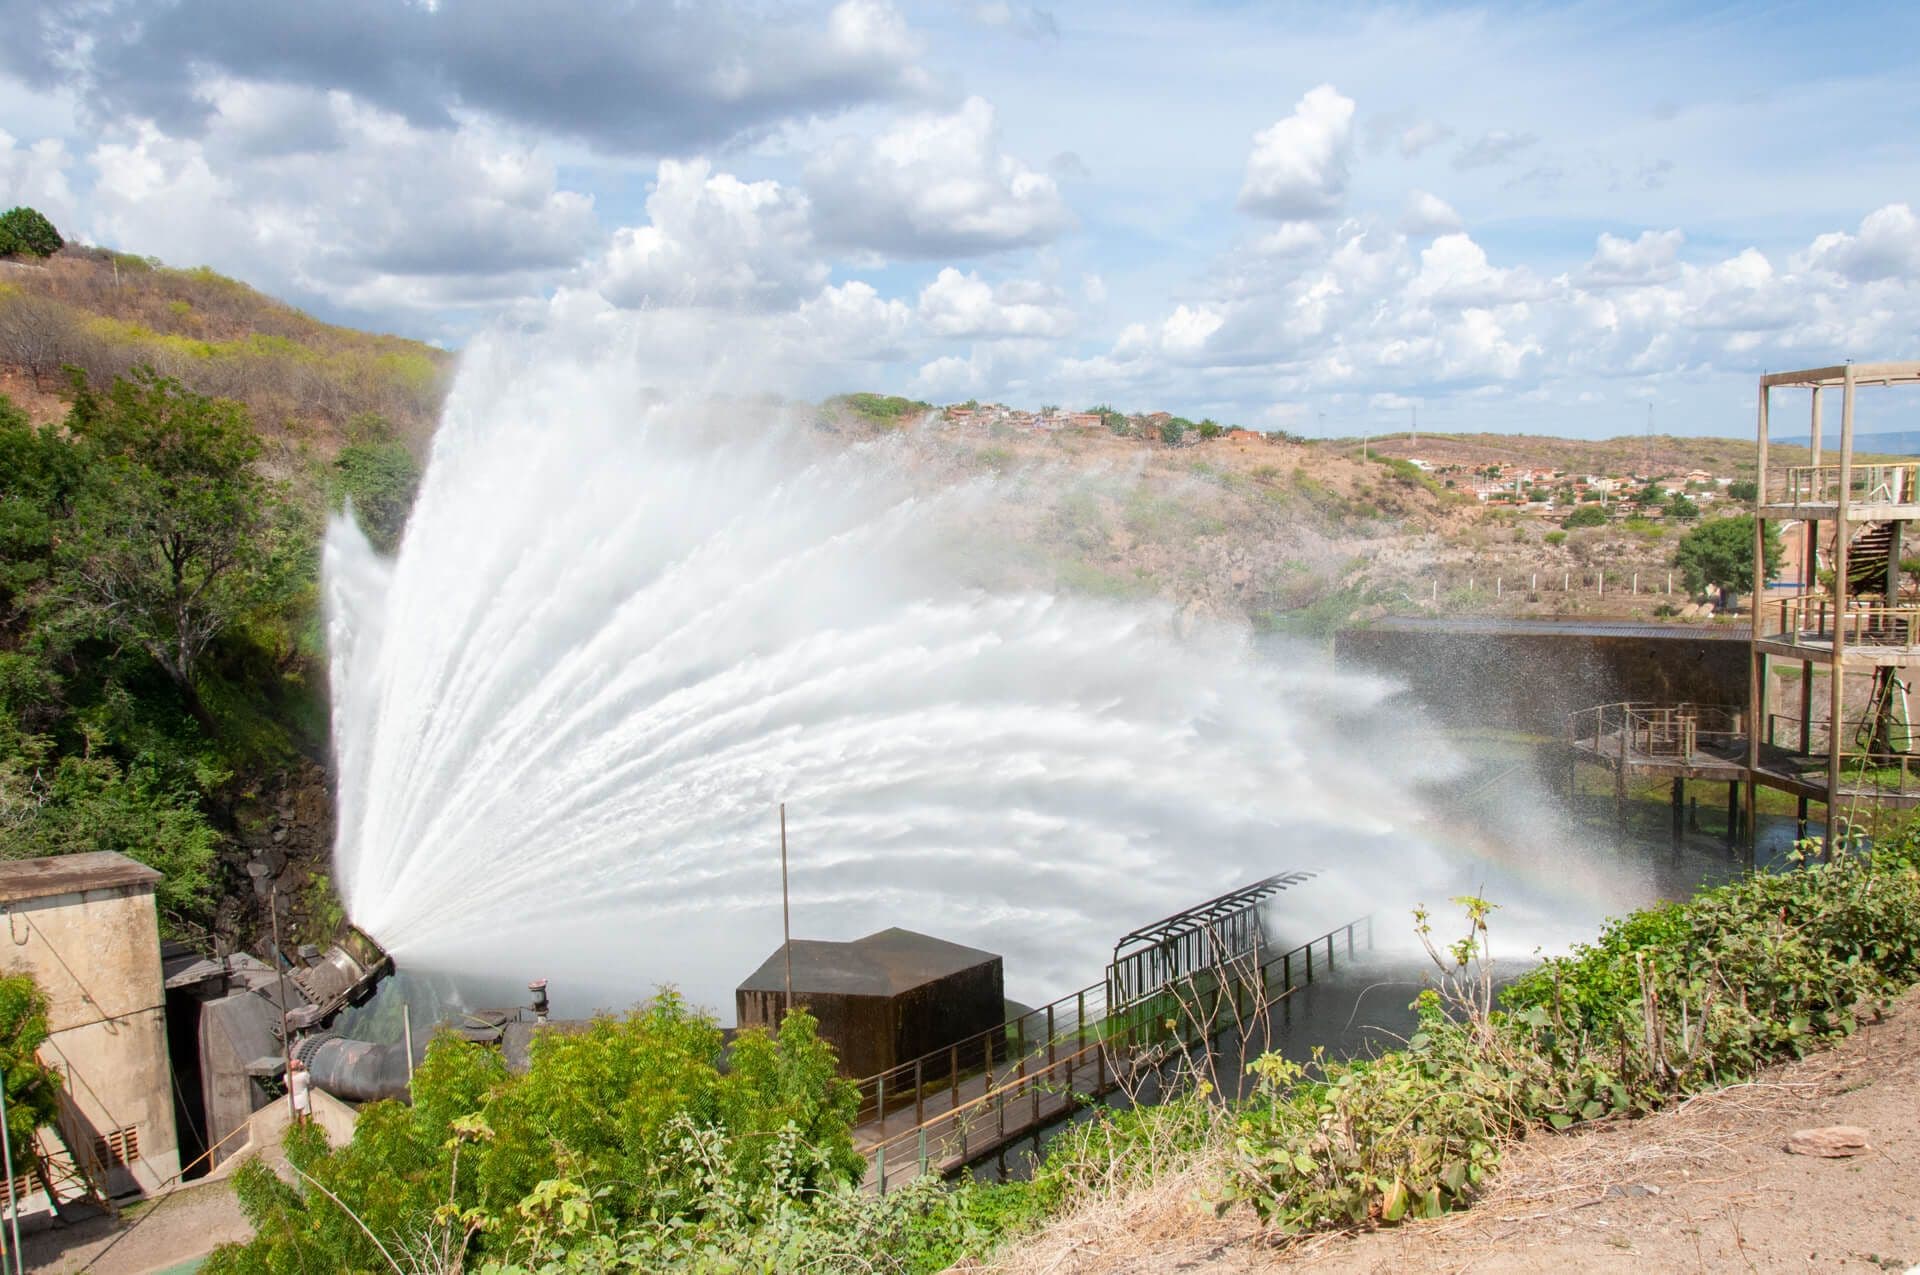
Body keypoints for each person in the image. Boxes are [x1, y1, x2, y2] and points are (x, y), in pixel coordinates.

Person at [288, 1058, 312, 1123]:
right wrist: (303, 1068)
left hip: (293, 1098)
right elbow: (308, 1080)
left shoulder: (286, 1077)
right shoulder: (303, 1075)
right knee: (304, 1117)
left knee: (296, 1117)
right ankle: (305, 1131)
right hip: (303, 1097)